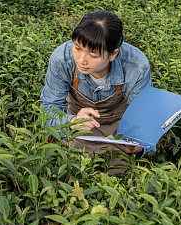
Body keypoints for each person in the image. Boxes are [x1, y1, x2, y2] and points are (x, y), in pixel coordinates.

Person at [40, 10, 152, 172]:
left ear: (113, 54)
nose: (81, 60)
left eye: (93, 55)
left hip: (118, 136)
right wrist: (72, 122)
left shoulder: (136, 67)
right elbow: (48, 111)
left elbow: (146, 118)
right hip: (77, 131)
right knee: (70, 174)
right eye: (77, 48)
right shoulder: (62, 59)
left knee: (118, 180)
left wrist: (139, 145)